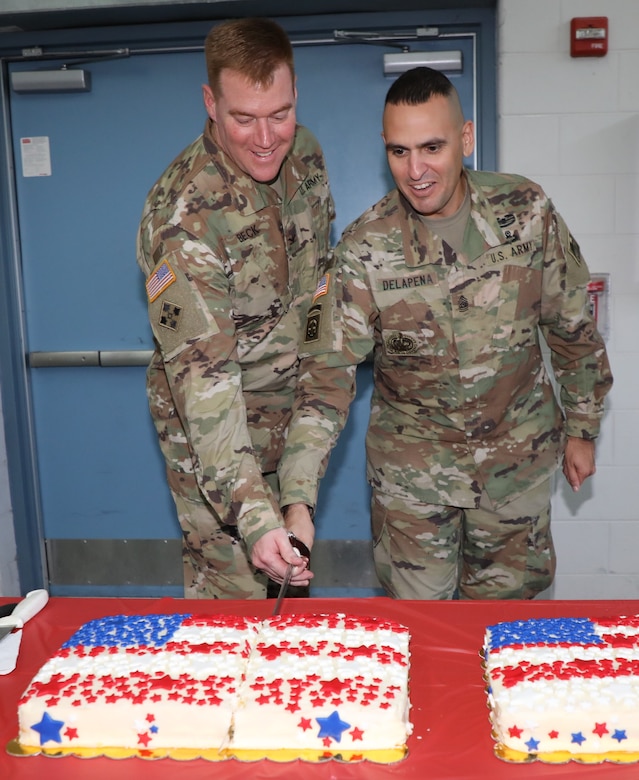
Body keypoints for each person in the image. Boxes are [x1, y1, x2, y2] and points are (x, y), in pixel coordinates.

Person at [278, 66, 613, 600]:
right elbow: (325, 381)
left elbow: (570, 325)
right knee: (423, 637)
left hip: (515, 468)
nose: (416, 170)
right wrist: (298, 499)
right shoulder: (365, 249)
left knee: (507, 636)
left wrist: (583, 426)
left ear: (467, 138)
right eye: (399, 151)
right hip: (413, 483)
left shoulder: (525, 212)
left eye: (432, 147)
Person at [136, 18, 333, 598]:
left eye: (280, 113)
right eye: (244, 118)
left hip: (293, 413)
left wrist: (297, 486)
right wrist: (255, 514)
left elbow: (320, 288)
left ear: (296, 93)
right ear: (211, 103)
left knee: (291, 599)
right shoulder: (184, 219)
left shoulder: (308, 157)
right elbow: (206, 388)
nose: (267, 137)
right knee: (241, 610)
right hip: (216, 436)